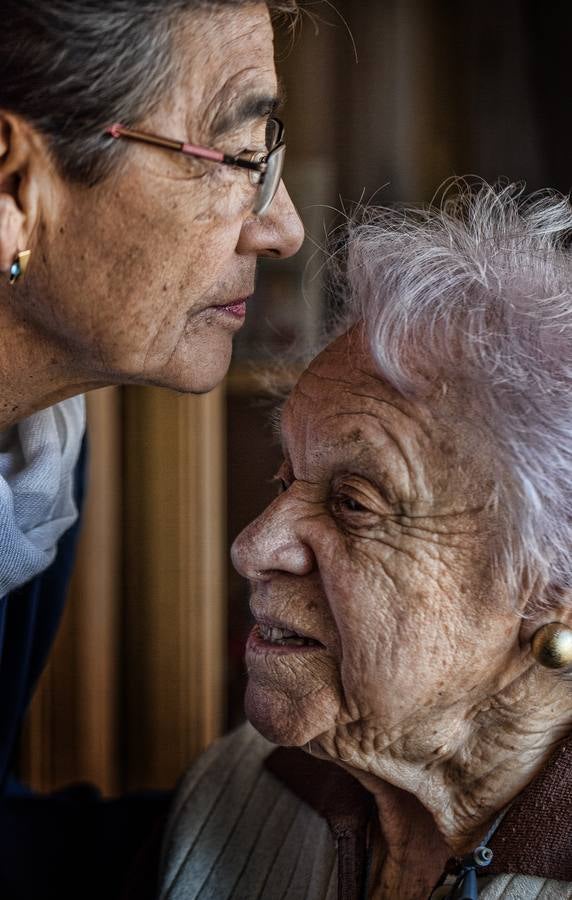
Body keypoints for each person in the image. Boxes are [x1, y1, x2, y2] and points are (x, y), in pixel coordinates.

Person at [159, 183, 572, 900]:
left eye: (354, 504)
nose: (254, 546)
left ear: (554, 592)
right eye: (283, 478)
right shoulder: (236, 792)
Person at [0, 1, 303, 898]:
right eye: (240, 157)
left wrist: (328, 835)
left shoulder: (36, 460)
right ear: (15, 184)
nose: (282, 226)